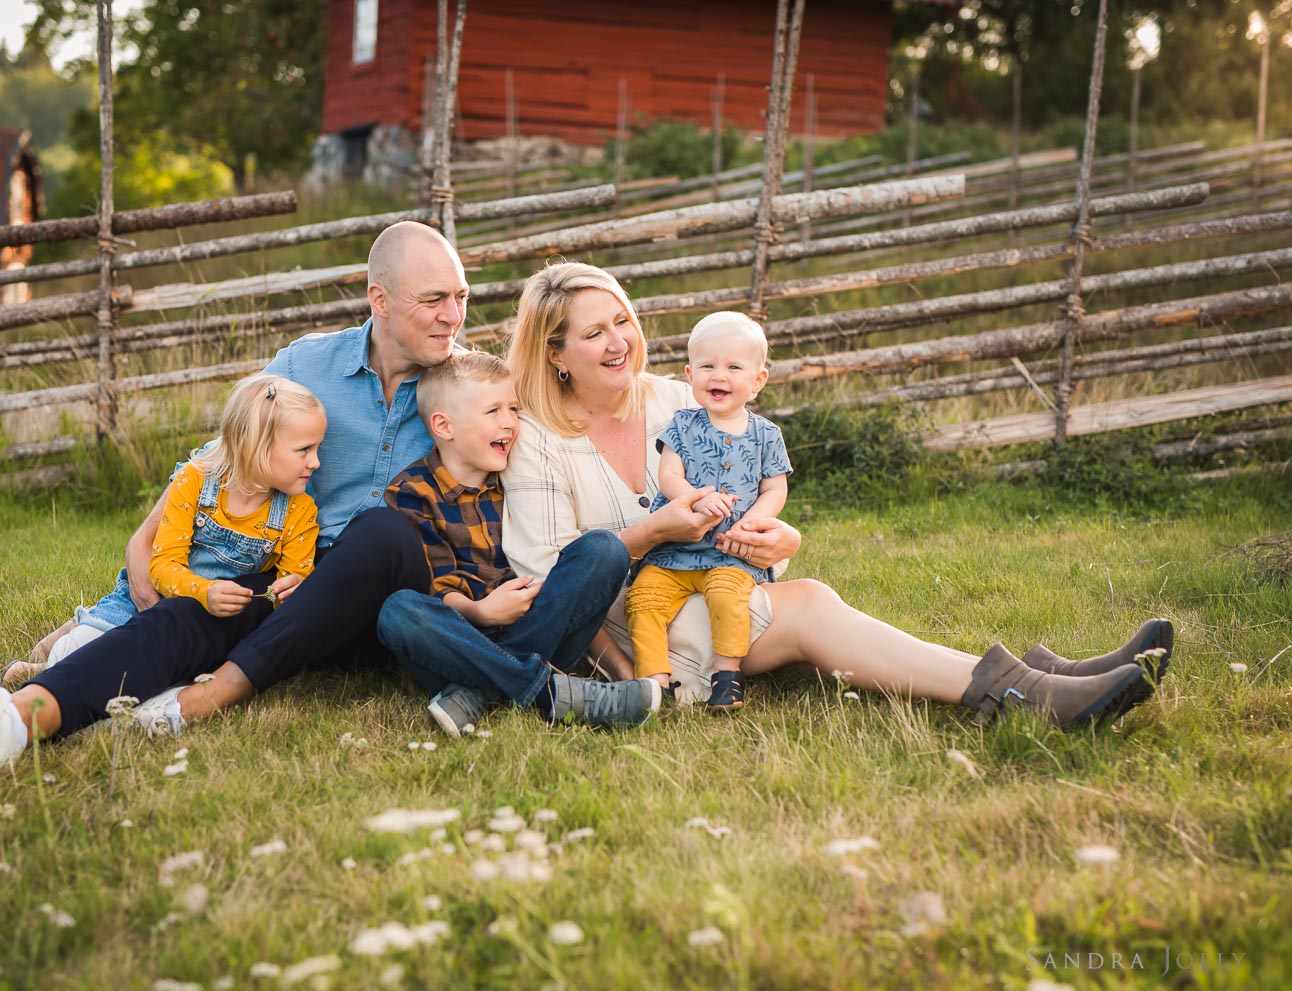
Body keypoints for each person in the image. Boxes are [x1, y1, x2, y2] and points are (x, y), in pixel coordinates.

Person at [0, 221, 466, 768]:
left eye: (461, 297)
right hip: (289, 584)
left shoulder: (470, 389)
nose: (453, 316)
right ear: (380, 299)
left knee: (384, 530)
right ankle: (7, 724)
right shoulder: (306, 364)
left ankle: (201, 699)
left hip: (387, 609)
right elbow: (225, 456)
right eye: (434, 299)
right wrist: (144, 539)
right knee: (192, 611)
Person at [500, 260, 1173, 725]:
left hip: (716, 584)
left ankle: (1045, 675)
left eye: (622, 319)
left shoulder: (679, 398)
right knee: (812, 610)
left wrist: (776, 544)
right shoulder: (536, 437)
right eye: (594, 334)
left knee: (802, 592)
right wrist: (652, 534)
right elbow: (550, 579)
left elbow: (745, 501)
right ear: (555, 354)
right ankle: (1023, 692)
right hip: (634, 626)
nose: (621, 342)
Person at [375, 352, 661, 736]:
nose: (510, 423)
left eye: (513, 409)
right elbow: (435, 583)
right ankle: (554, 692)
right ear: (444, 425)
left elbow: (555, 566)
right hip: (460, 636)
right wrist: (483, 612)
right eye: (493, 411)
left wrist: (620, 667)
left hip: (540, 624)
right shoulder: (412, 492)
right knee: (399, 612)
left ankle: (478, 692)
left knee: (605, 550)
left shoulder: (520, 472)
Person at [0, 374, 323, 691]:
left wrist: (290, 590)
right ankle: (53, 657)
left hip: (205, 626)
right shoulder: (196, 481)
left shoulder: (299, 512)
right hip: (150, 601)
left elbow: (293, 580)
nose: (316, 463)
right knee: (75, 655)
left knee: (141, 678)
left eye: (317, 449)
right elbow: (163, 564)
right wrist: (204, 592)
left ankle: (55, 656)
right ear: (258, 446)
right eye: (304, 450)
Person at [624, 312, 791, 712]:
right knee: (643, 598)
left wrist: (756, 519)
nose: (719, 375)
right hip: (676, 550)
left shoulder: (766, 434)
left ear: (757, 381)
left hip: (730, 550)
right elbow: (669, 475)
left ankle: (727, 675)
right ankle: (654, 682)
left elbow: (775, 487)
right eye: (708, 366)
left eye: (734, 367)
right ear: (689, 374)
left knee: (727, 595)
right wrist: (695, 497)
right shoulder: (681, 424)